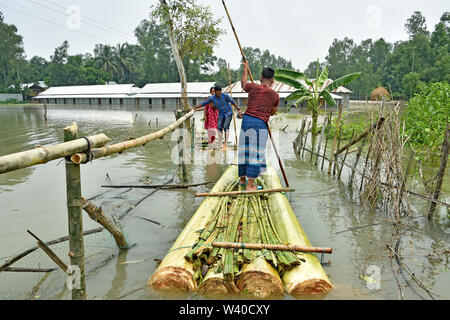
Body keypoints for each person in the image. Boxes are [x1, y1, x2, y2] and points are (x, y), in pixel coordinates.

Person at [238, 61, 279, 190]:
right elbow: (272, 112)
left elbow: (243, 84)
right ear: (272, 81)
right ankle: (250, 185)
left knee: (244, 150)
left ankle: (242, 180)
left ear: (261, 78)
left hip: (246, 120)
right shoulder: (275, 95)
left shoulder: (253, 87)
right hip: (260, 123)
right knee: (255, 153)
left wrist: (245, 68)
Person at [196, 85, 241, 150]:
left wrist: (238, 109)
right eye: (217, 93)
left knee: (225, 127)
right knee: (219, 127)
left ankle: (225, 142)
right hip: (220, 114)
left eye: (219, 93)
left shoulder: (225, 95)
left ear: (221, 91)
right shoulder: (212, 98)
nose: (218, 94)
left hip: (228, 113)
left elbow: (232, 102)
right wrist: (196, 108)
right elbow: (204, 104)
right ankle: (220, 143)